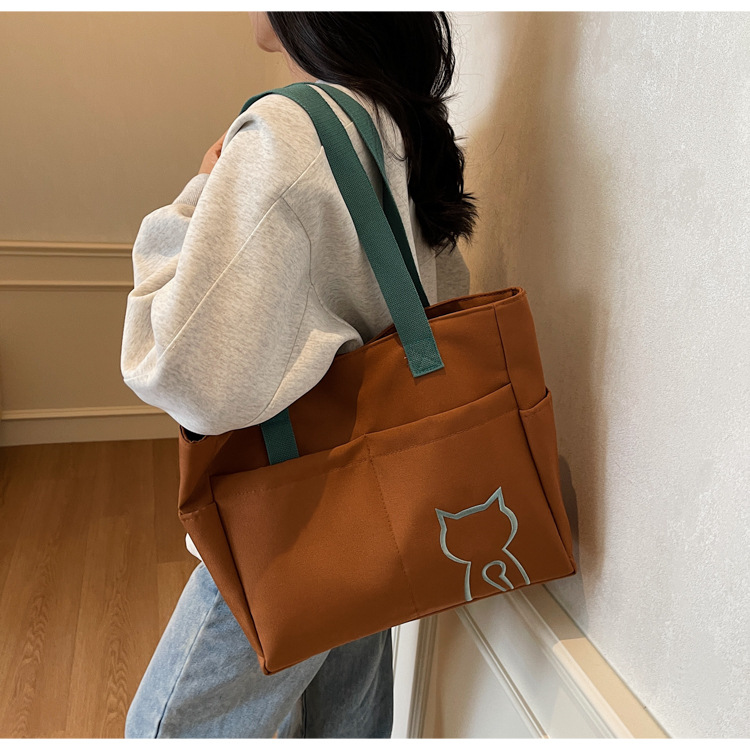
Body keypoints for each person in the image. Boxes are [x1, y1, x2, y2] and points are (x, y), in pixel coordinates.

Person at [120, 11, 476, 739]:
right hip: (379, 515)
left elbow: (183, 369)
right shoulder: (398, 125)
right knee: (345, 724)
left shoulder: (288, 132)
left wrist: (200, 192)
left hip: (292, 523)